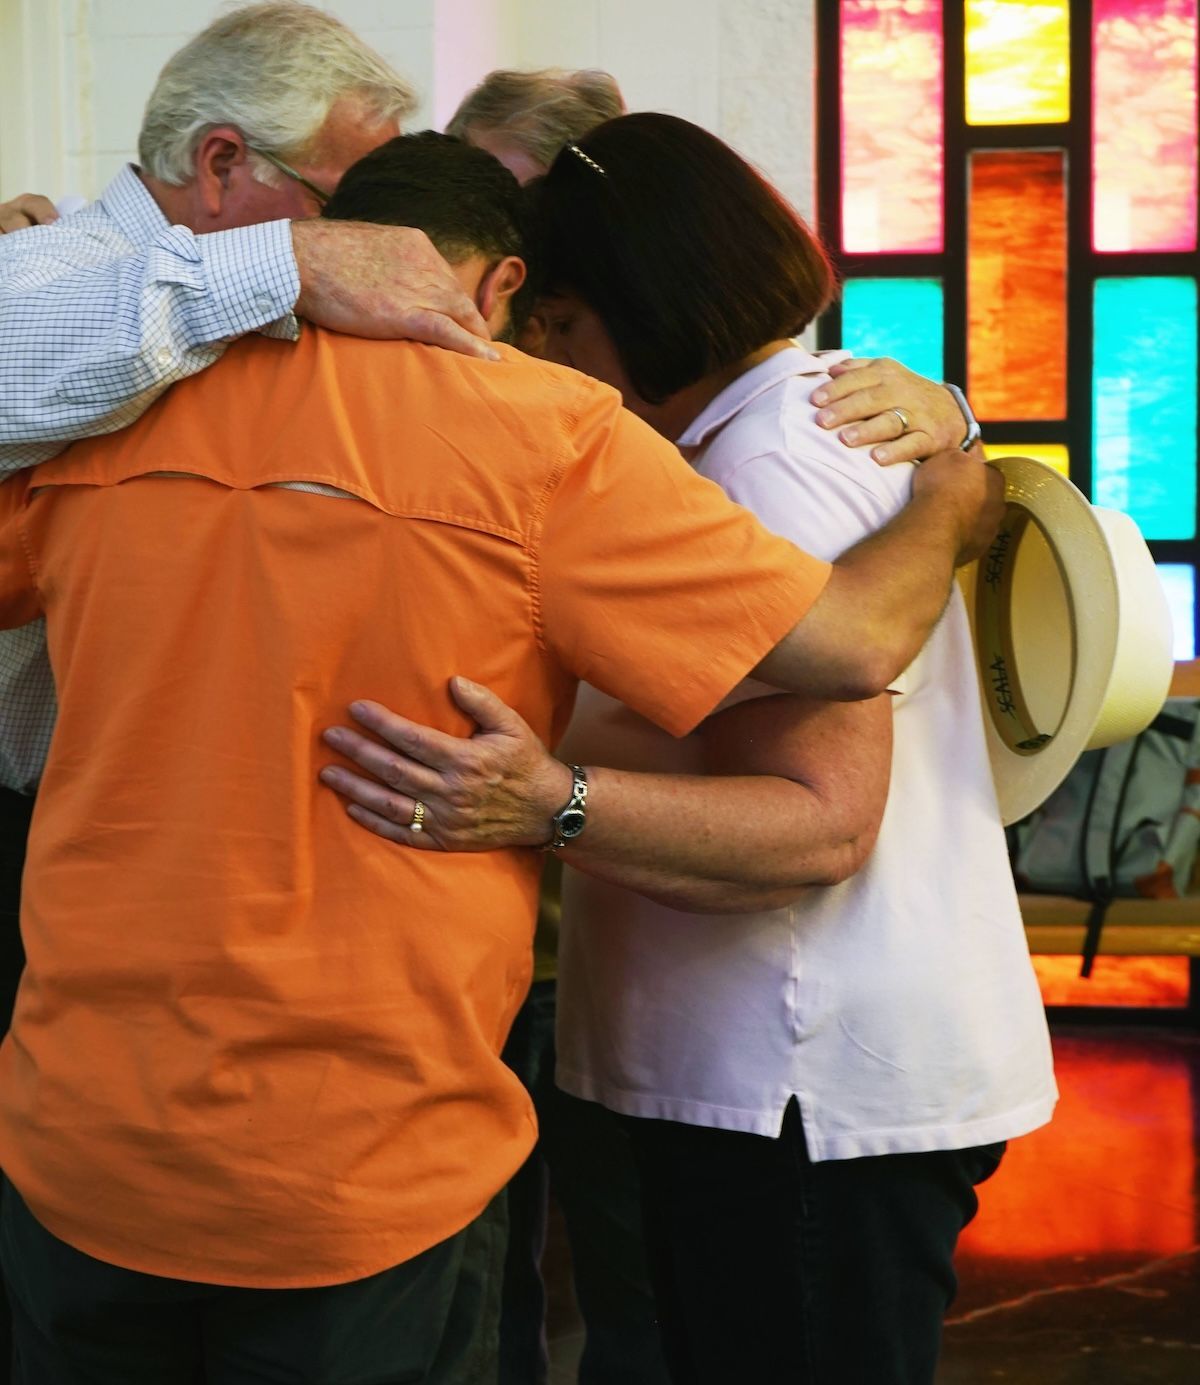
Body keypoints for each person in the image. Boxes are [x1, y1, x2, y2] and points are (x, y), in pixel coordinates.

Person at [320, 113, 1057, 1385]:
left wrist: (546, 803)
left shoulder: (768, 461)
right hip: (785, 1072)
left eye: (557, 323)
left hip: (800, 1081)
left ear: (629, 306)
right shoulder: (777, 431)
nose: (546, 353)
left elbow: (822, 820)